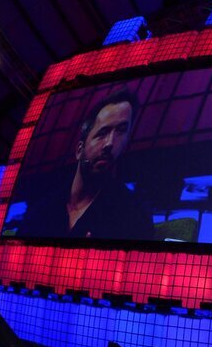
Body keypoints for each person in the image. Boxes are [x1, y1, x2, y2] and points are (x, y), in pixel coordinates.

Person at [16, 90, 154, 240]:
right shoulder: (41, 209)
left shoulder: (134, 216)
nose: (110, 143)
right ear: (79, 150)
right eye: (102, 133)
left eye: (121, 131)